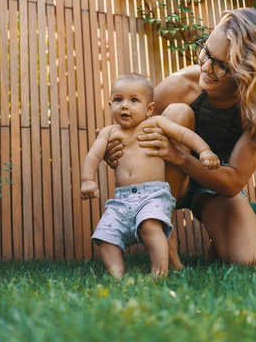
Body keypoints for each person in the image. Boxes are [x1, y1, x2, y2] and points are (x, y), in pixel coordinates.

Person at [104, 8, 256, 269]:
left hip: (213, 181)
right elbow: (130, 134)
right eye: (207, 52)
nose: (206, 67)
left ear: (248, 72)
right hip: (162, 183)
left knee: (250, 259)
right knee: (177, 113)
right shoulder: (181, 85)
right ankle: (167, 239)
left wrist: (180, 157)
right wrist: (112, 150)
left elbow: (232, 181)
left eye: (221, 65)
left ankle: (219, 236)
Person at [81, 73, 220, 278]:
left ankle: (159, 272)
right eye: (118, 100)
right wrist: (88, 180)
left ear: (149, 109)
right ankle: (117, 276)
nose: (124, 106)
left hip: (152, 195)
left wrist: (205, 151)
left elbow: (183, 135)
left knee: (150, 227)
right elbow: (93, 155)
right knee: (105, 236)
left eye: (134, 100)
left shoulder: (155, 123)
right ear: (110, 104)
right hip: (121, 199)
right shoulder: (109, 133)